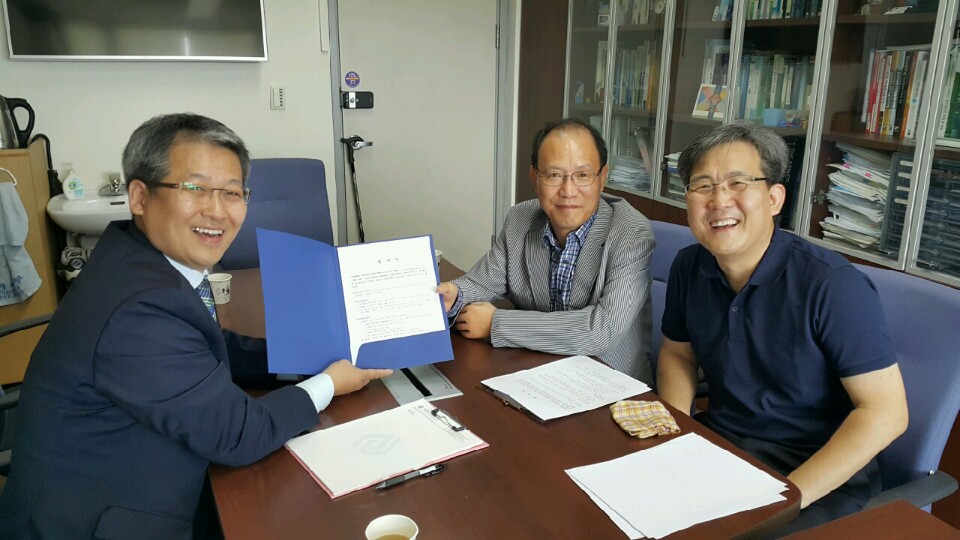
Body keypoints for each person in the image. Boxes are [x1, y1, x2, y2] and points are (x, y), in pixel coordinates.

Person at [0, 113, 391, 539]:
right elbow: (238, 435)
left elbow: (207, 346)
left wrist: (306, 360)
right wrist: (328, 384)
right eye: (194, 188)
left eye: (232, 192)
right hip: (104, 520)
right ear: (140, 197)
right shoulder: (140, 308)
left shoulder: (133, 257)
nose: (217, 210)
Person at [657, 121, 908, 534]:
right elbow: (677, 353)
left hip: (812, 474)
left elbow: (886, 413)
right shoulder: (690, 265)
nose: (719, 200)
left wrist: (786, 498)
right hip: (722, 448)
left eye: (738, 183)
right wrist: (676, 432)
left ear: (774, 198)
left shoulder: (832, 285)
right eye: (702, 186)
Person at [437, 118, 655, 383]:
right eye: (554, 175)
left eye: (582, 175)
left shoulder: (631, 235)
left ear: (602, 178)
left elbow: (601, 331)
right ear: (535, 177)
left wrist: (497, 324)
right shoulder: (521, 218)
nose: (568, 191)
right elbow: (483, 281)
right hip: (537, 370)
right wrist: (456, 295)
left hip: (610, 382)